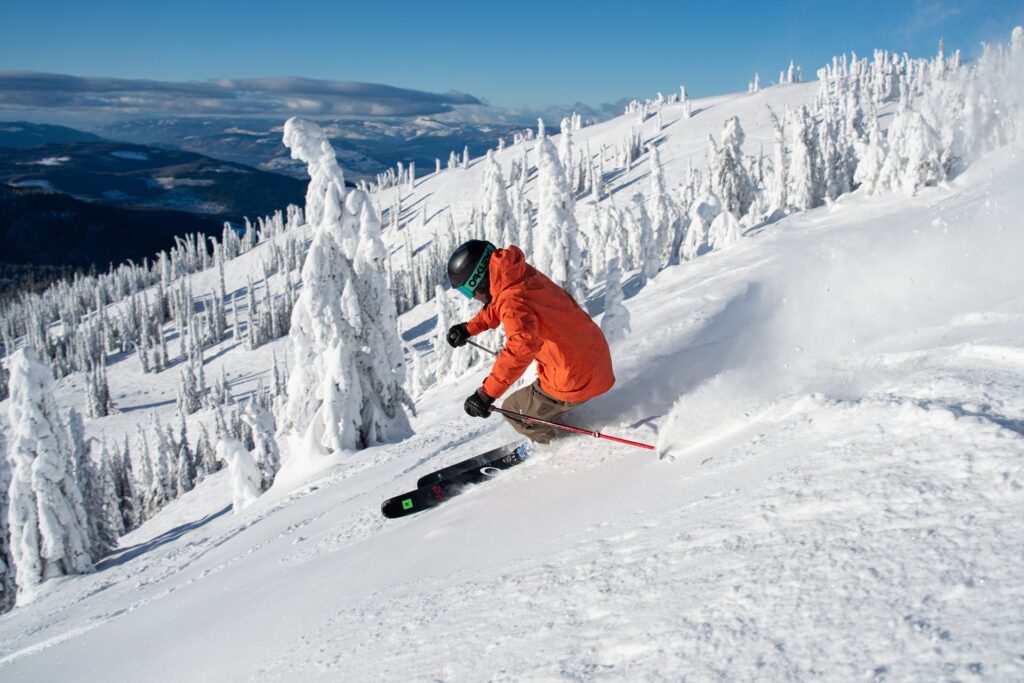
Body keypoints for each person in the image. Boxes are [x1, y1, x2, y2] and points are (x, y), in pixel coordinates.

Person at [445, 239, 614, 443]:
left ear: (477, 280)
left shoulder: (510, 300)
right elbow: (502, 303)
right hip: (597, 360)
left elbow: (521, 347)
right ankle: (557, 418)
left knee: (514, 411)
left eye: (468, 291)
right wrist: (469, 328)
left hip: (574, 377)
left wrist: (486, 394)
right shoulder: (517, 274)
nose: (472, 297)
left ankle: (563, 446)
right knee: (537, 394)